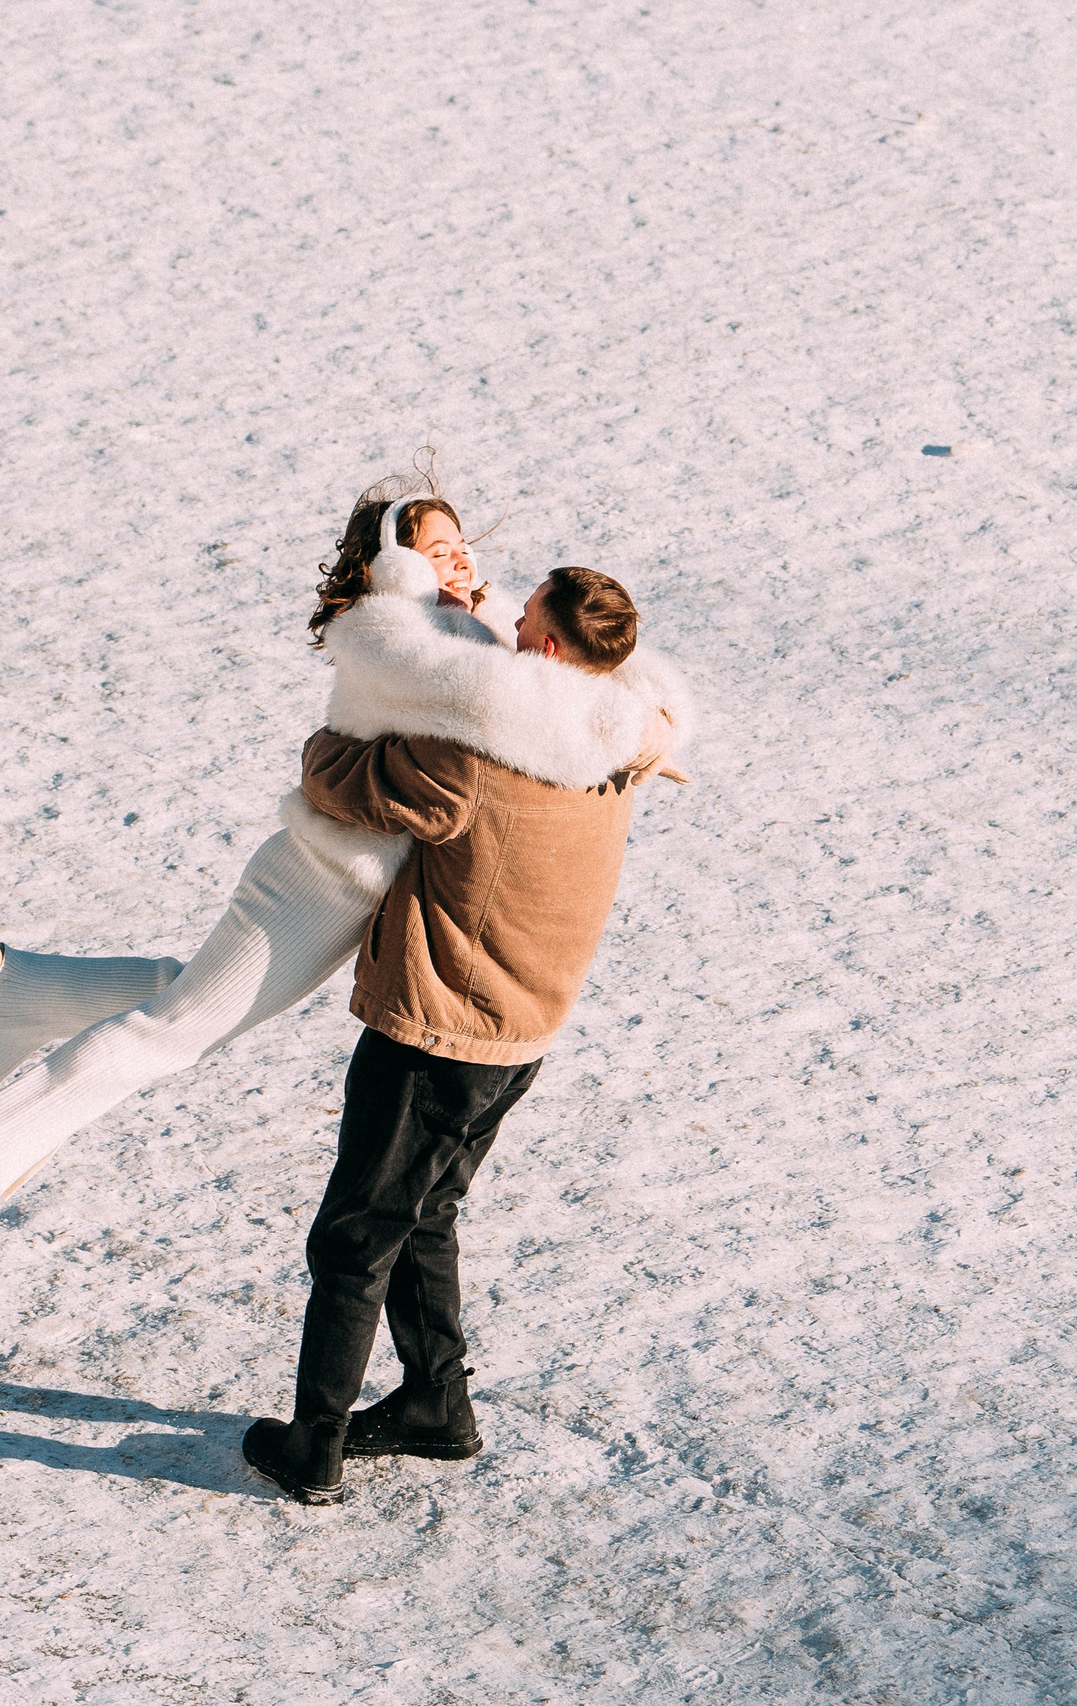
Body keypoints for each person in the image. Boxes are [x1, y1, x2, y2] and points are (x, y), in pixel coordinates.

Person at [0, 478, 695, 1253]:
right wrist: (638, 728)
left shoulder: (460, 637)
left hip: (350, 885)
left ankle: (16, 986)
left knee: (192, 998)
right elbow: (541, 710)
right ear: (395, 566)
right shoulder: (409, 642)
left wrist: (494, 615)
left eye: (462, 549)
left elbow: (555, 671)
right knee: (176, 1031)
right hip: (320, 881)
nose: (459, 565)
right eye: (435, 552)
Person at [239, 565, 679, 1505]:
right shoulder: (624, 738)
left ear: (552, 649)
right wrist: (468, 623)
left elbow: (343, 779)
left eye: (522, 623)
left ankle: (312, 1447)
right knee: (424, 1213)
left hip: (440, 1032)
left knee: (355, 1240)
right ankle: (437, 1403)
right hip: (523, 1035)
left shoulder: (477, 760)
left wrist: (352, 715)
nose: (508, 629)